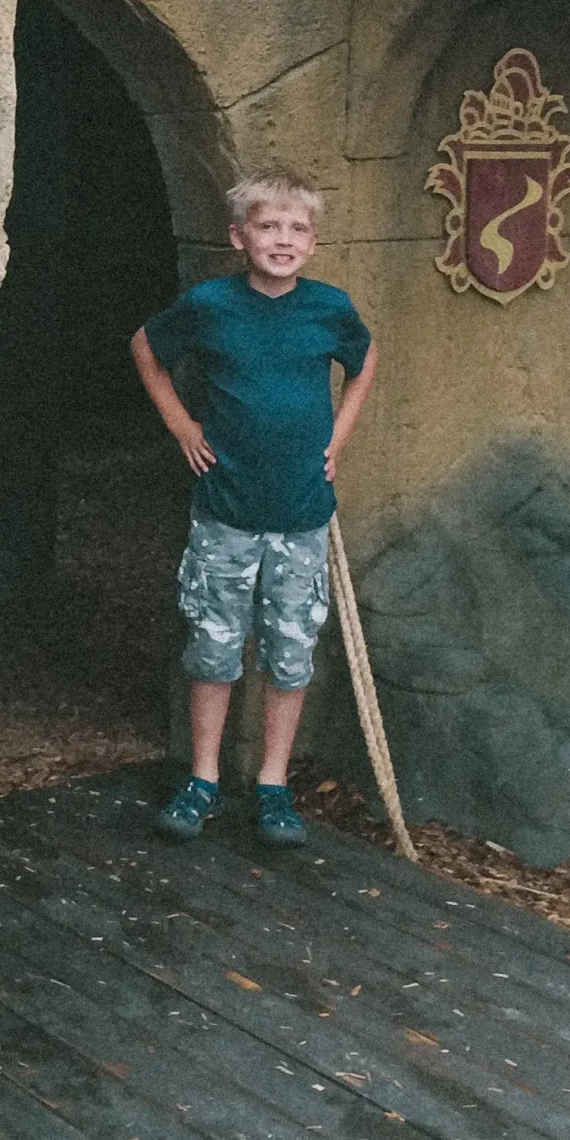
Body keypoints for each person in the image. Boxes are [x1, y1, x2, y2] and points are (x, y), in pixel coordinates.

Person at [129, 174, 377, 847]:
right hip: (226, 511)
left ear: (314, 242)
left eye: (297, 230)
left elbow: (364, 359)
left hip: (301, 513)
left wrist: (338, 438)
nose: (283, 240)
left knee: (290, 653)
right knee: (214, 646)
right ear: (241, 237)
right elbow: (147, 349)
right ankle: (203, 778)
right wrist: (182, 424)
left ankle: (273, 784)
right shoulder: (211, 305)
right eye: (269, 227)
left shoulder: (328, 308)